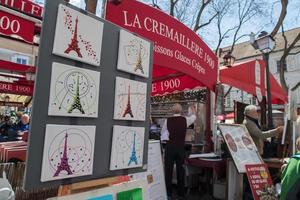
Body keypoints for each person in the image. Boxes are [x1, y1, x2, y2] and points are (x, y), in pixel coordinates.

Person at [161, 103, 196, 199]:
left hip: (170, 148)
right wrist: (193, 109)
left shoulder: (167, 120)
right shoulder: (185, 120)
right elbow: (193, 117)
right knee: (181, 171)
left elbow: (163, 133)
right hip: (180, 148)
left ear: (172, 110)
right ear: (181, 111)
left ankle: (168, 194)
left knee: (168, 171)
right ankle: (181, 194)